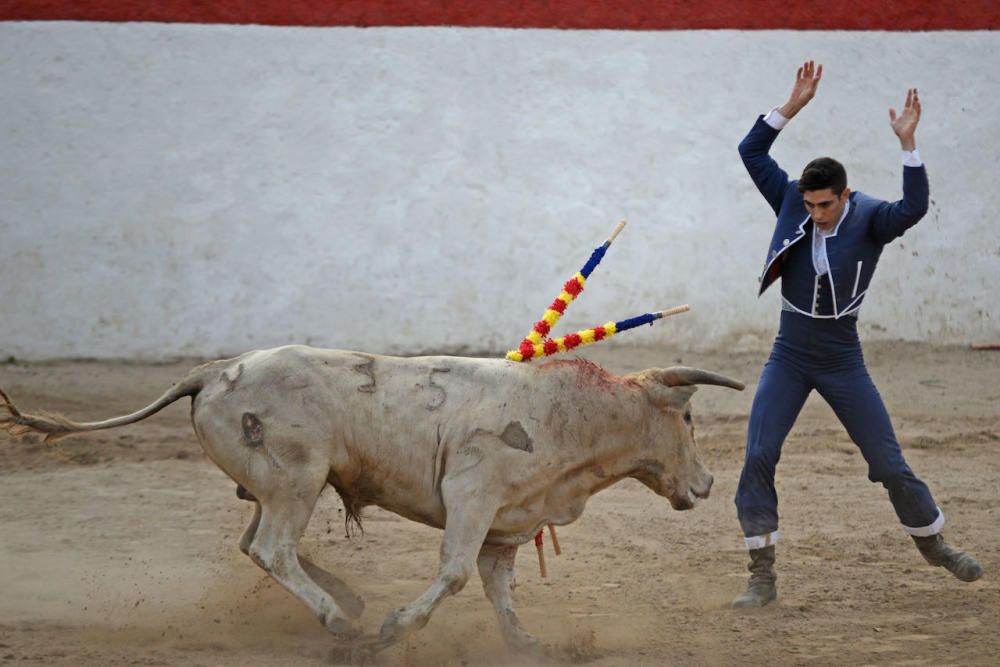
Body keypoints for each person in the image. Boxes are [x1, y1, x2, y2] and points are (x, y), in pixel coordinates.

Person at [732, 60, 982, 608]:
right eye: (809, 204)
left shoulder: (869, 217)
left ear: (845, 196)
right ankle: (762, 574)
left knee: (889, 462)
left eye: (825, 205)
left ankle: (934, 543)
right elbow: (752, 153)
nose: (816, 213)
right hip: (790, 352)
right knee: (758, 455)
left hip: (842, 356)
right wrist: (789, 108)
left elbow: (914, 207)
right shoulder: (792, 199)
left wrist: (908, 146)